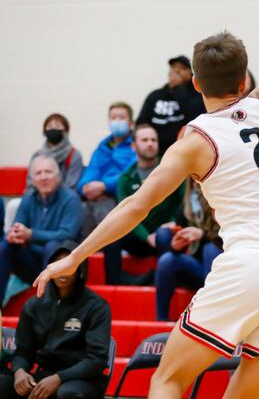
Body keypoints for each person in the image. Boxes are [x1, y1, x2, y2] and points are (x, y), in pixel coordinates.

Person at [34, 0, 259, 398]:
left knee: (167, 379)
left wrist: (76, 257)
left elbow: (134, 206)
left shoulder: (194, 140)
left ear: (196, 82)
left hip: (251, 264)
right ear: (244, 80)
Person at [0, 241, 111, 399]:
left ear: (80, 268)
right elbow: (23, 351)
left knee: (67, 393)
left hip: (82, 379)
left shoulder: (97, 307)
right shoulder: (34, 305)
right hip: (44, 375)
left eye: (68, 265)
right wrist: (19, 371)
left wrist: (59, 378)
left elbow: (96, 360)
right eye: (58, 264)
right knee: (3, 384)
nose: (63, 271)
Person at [101, 124, 184, 285]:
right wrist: (146, 237)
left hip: (167, 233)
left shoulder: (171, 169)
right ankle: (114, 287)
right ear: (133, 146)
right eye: (144, 140)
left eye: (153, 140)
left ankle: (162, 282)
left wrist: (175, 222)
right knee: (109, 236)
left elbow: (183, 202)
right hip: (141, 236)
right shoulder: (126, 178)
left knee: (163, 235)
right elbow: (126, 214)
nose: (150, 143)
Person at [0, 155, 82, 303]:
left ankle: (47, 306)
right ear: (31, 179)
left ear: (58, 176)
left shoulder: (72, 199)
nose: (43, 177)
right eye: (38, 173)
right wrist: (13, 235)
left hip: (64, 266)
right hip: (34, 264)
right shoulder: (28, 199)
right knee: (5, 246)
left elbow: (67, 234)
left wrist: (31, 235)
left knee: (52, 246)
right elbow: (18, 227)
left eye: (48, 172)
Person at [153, 179, 222, 321]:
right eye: (194, 181)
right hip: (197, 268)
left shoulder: (221, 204)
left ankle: (210, 316)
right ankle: (161, 319)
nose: (197, 185)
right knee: (167, 260)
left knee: (210, 249)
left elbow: (227, 238)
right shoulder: (187, 205)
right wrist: (175, 246)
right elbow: (181, 239)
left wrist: (202, 235)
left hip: (221, 268)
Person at [77, 101, 137, 236]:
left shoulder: (136, 145)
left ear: (131, 123)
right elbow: (90, 172)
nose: (117, 121)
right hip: (96, 198)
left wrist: (104, 186)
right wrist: (86, 187)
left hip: (119, 198)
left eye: (122, 118)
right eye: (113, 118)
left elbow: (131, 175)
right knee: (80, 210)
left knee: (105, 211)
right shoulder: (103, 146)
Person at [137, 55, 206, 156]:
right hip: (156, 152)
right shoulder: (155, 95)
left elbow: (196, 117)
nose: (176, 71)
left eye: (181, 69)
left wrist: (178, 88)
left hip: (184, 151)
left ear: (190, 74)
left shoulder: (197, 95)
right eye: (173, 68)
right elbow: (141, 123)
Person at [28, 113, 85, 192]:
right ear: (44, 131)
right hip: (38, 199)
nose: (53, 129)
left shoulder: (74, 155)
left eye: (57, 126)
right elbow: (31, 184)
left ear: (65, 131)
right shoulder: (37, 156)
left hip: (64, 200)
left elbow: (71, 186)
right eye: (50, 127)